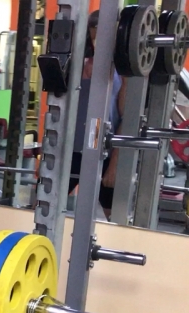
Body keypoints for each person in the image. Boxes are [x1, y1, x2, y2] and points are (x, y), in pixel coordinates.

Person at [70, 9, 125, 219]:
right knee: (41, 204)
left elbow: (125, 120)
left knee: (114, 215)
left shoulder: (123, 74)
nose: (98, 42)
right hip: (72, 150)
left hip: (103, 152)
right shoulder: (77, 66)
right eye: (94, 37)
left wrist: (114, 165)